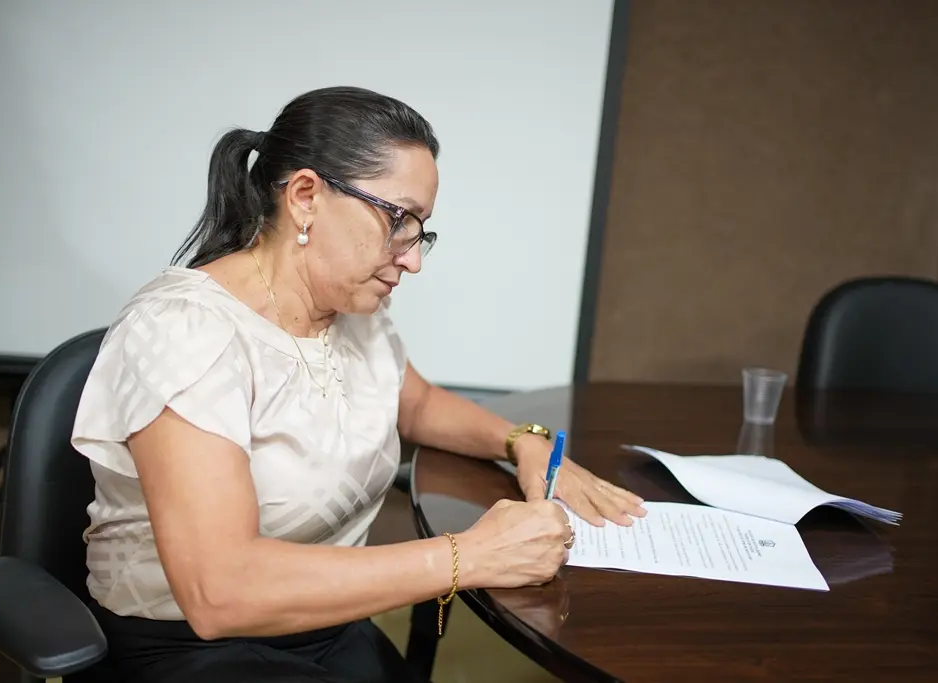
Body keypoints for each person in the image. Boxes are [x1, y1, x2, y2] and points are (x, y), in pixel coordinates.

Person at [70, 85, 647, 683]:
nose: (413, 259)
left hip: (326, 625)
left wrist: (520, 441)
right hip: (187, 649)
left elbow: (416, 403)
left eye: (420, 230)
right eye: (399, 220)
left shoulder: (351, 312)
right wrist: (468, 557)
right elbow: (220, 590)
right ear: (306, 196)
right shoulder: (184, 330)